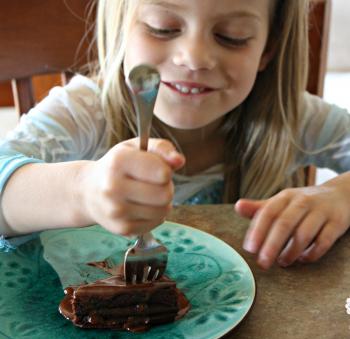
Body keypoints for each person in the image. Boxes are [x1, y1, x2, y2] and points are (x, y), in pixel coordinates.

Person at [1, 0, 350, 271]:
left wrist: (340, 195)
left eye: (232, 36)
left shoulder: (292, 117)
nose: (195, 58)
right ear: (121, 23)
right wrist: (83, 190)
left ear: (267, 49)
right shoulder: (84, 112)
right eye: (163, 28)